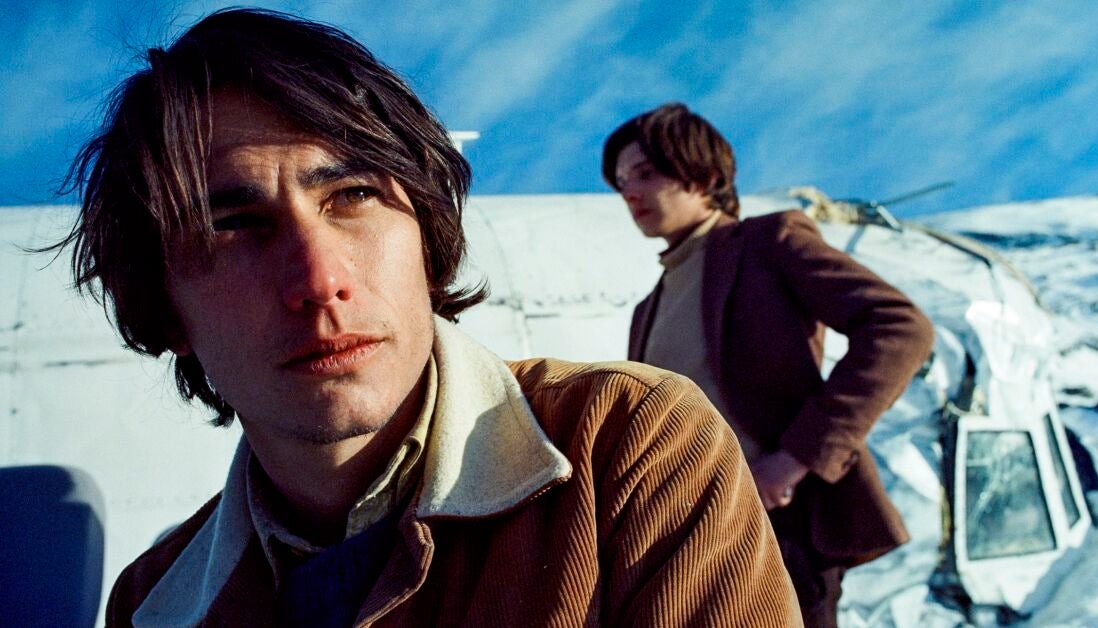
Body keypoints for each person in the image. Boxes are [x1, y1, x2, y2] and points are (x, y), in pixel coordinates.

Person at [53, 10, 802, 627]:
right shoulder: (148, 599)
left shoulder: (630, 445)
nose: (319, 281)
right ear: (165, 308)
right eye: (234, 226)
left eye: (353, 196)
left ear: (427, 240)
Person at [602, 103, 935, 627]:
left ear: (705, 178)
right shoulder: (648, 309)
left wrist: (795, 458)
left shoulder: (767, 241)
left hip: (783, 531)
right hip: (691, 549)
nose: (630, 193)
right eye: (621, 182)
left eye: (645, 173)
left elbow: (899, 327)